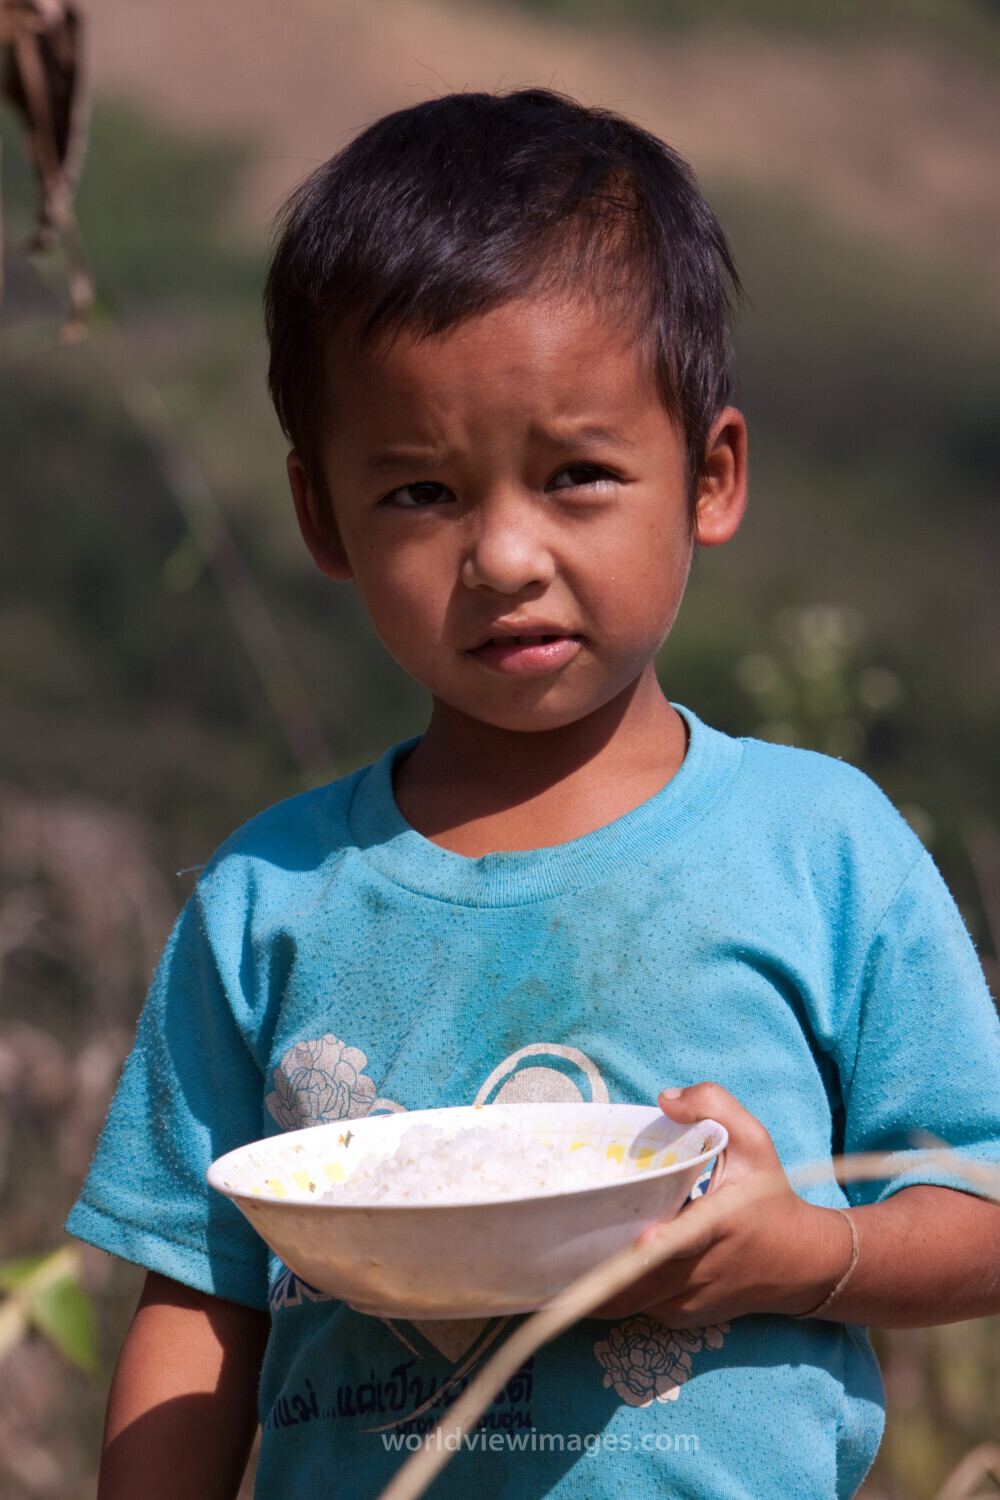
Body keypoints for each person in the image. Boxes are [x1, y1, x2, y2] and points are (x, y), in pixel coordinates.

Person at [68, 89, 1000, 1500]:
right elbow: (199, 1301)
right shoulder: (268, 900)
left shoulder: (821, 849)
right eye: (421, 493)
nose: (504, 555)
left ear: (710, 477)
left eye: (576, 475)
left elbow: (979, 1205)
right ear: (321, 515)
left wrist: (812, 1253)